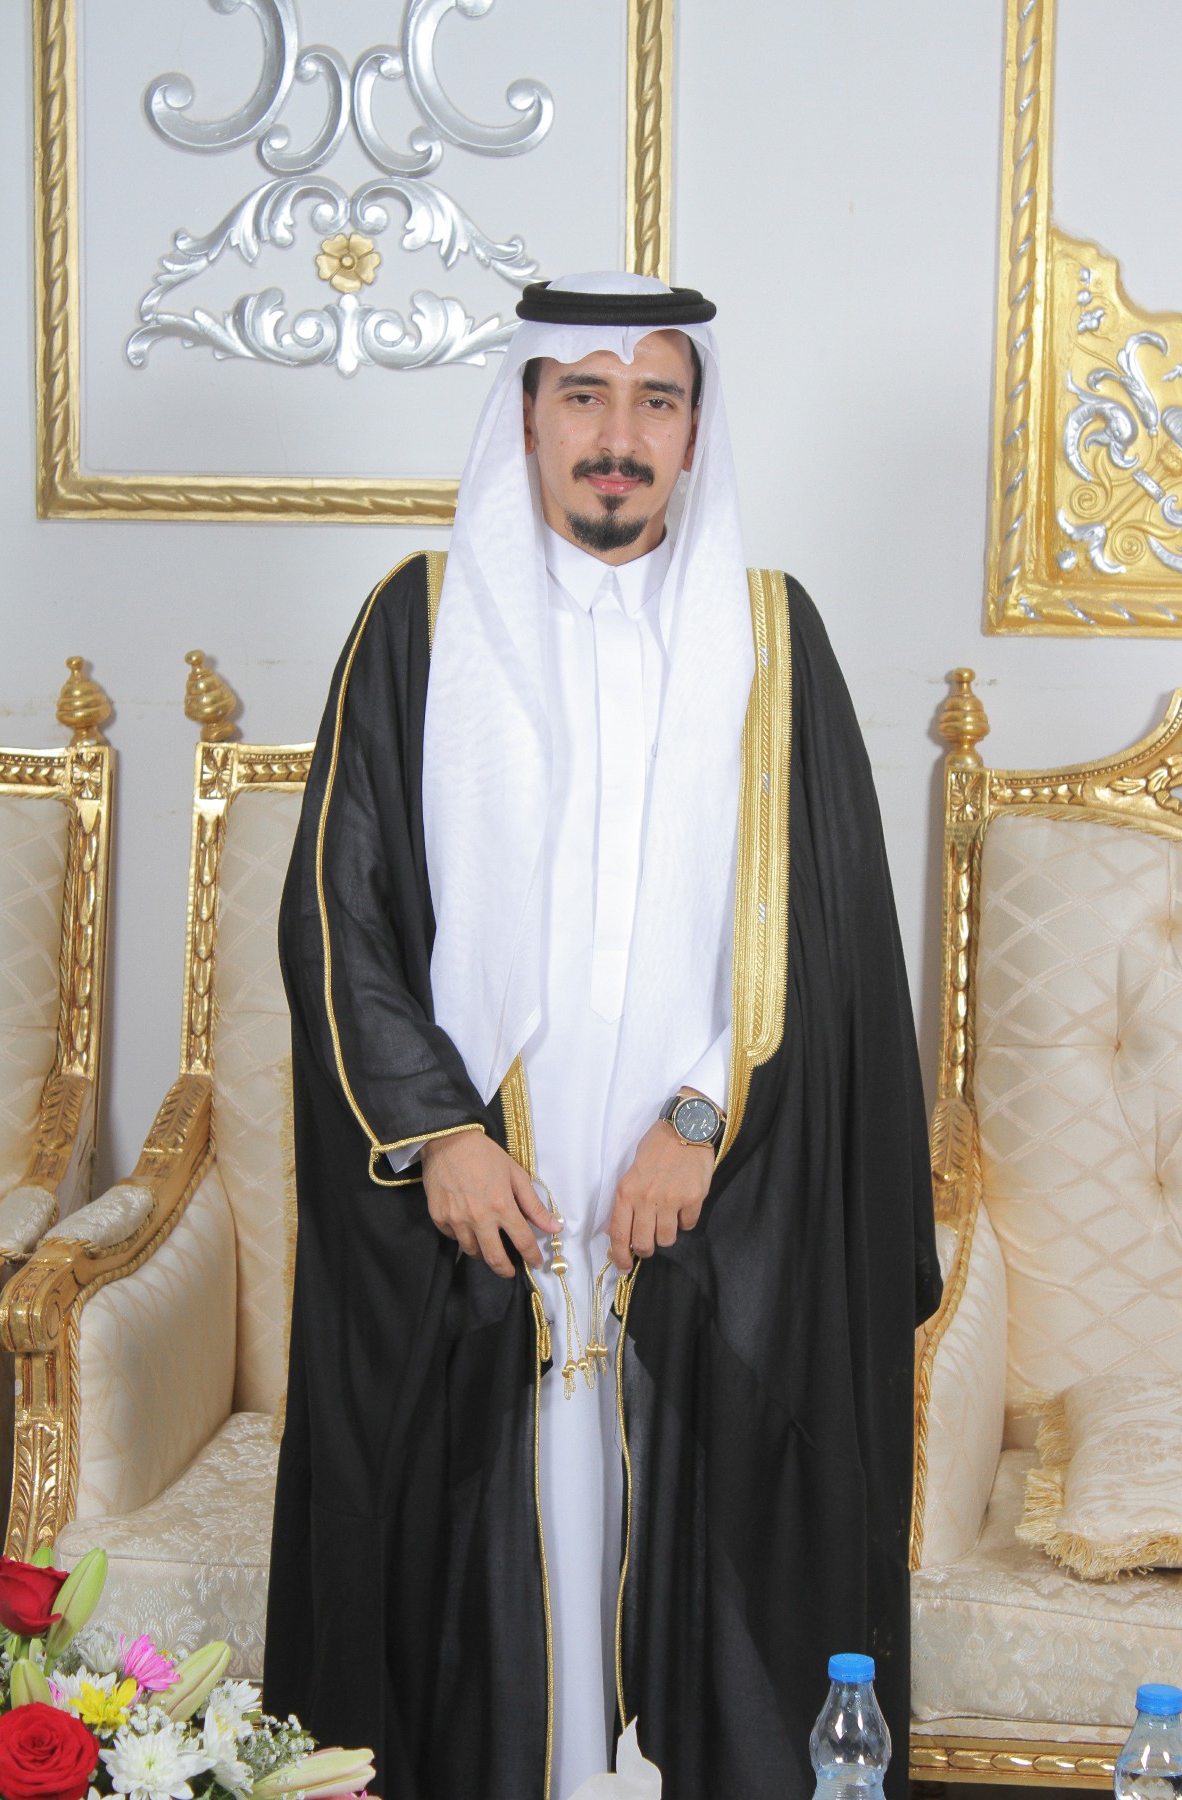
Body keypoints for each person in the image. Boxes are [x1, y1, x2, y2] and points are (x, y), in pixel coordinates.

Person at [264, 272, 942, 1800]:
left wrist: (702, 1124)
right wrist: (438, 1134)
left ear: (696, 431)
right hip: (483, 1200)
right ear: (526, 416)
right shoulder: (420, 624)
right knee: (485, 1590)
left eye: (656, 400)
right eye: (583, 395)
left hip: (703, 1200)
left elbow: (828, 942)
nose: (618, 435)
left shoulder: (774, 638)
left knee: (704, 1582)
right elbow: (335, 910)